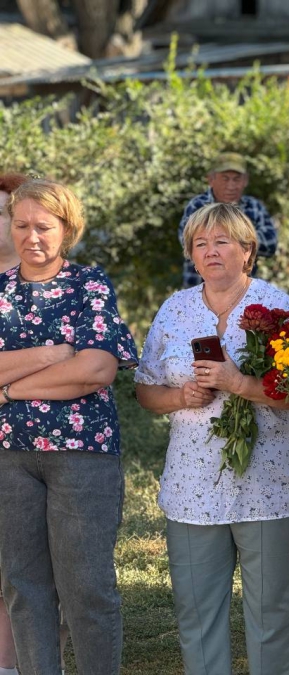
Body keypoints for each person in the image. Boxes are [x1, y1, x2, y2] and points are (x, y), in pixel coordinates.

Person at [135, 203, 289, 675]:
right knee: (197, 616)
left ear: (247, 251)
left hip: (270, 485)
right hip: (193, 488)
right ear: (191, 255)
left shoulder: (277, 307)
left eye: (222, 241)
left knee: (270, 617)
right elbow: (145, 389)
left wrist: (239, 384)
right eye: (201, 243)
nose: (210, 251)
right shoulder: (175, 309)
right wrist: (181, 396)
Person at [0, 179, 137, 675]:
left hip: (83, 455)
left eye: (43, 226)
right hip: (9, 456)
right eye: (21, 225)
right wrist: (54, 354)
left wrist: (9, 389)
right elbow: (76, 365)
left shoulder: (89, 285)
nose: (31, 236)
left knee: (87, 588)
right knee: (23, 585)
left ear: (67, 229)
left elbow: (96, 370)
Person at [0, 172, 27, 675]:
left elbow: (88, 365)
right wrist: (46, 358)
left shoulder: (64, 283)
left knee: (27, 568)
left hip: (40, 446)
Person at [178, 152, 277, 288]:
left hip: (244, 293)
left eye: (236, 179)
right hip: (198, 290)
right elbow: (188, 243)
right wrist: (243, 241)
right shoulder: (197, 206)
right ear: (211, 180)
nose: (231, 185)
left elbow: (271, 243)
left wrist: (225, 238)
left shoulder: (254, 207)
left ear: (245, 181)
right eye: (225, 179)